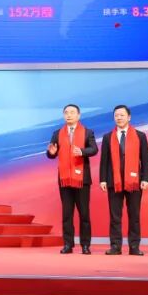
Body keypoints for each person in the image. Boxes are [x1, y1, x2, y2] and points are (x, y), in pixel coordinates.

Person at [99, 104, 148, 256]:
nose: (119, 118)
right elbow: (104, 160)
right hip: (113, 181)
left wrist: (146, 178)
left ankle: (134, 246)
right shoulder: (108, 137)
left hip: (134, 182)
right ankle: (115, 246)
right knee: (115, 216)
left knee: (134, 215)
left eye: (122, 115)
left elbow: (145, 159)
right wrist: (103, 179)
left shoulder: (140, 136)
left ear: (129, 117)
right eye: (116, 115)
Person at [46, 103, 98, 254]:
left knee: (84, 214)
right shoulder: (57, 133)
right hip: (64, 179)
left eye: (72, 112)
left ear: (78, 115)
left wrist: (82, 151)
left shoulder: (87, 132)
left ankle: (85, 245)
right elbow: (51, 153)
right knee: (67, 214)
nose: (69, 115)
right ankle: (68, 244)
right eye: (66, 112)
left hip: (82, 180)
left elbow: (94, 149)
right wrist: (51, 153)